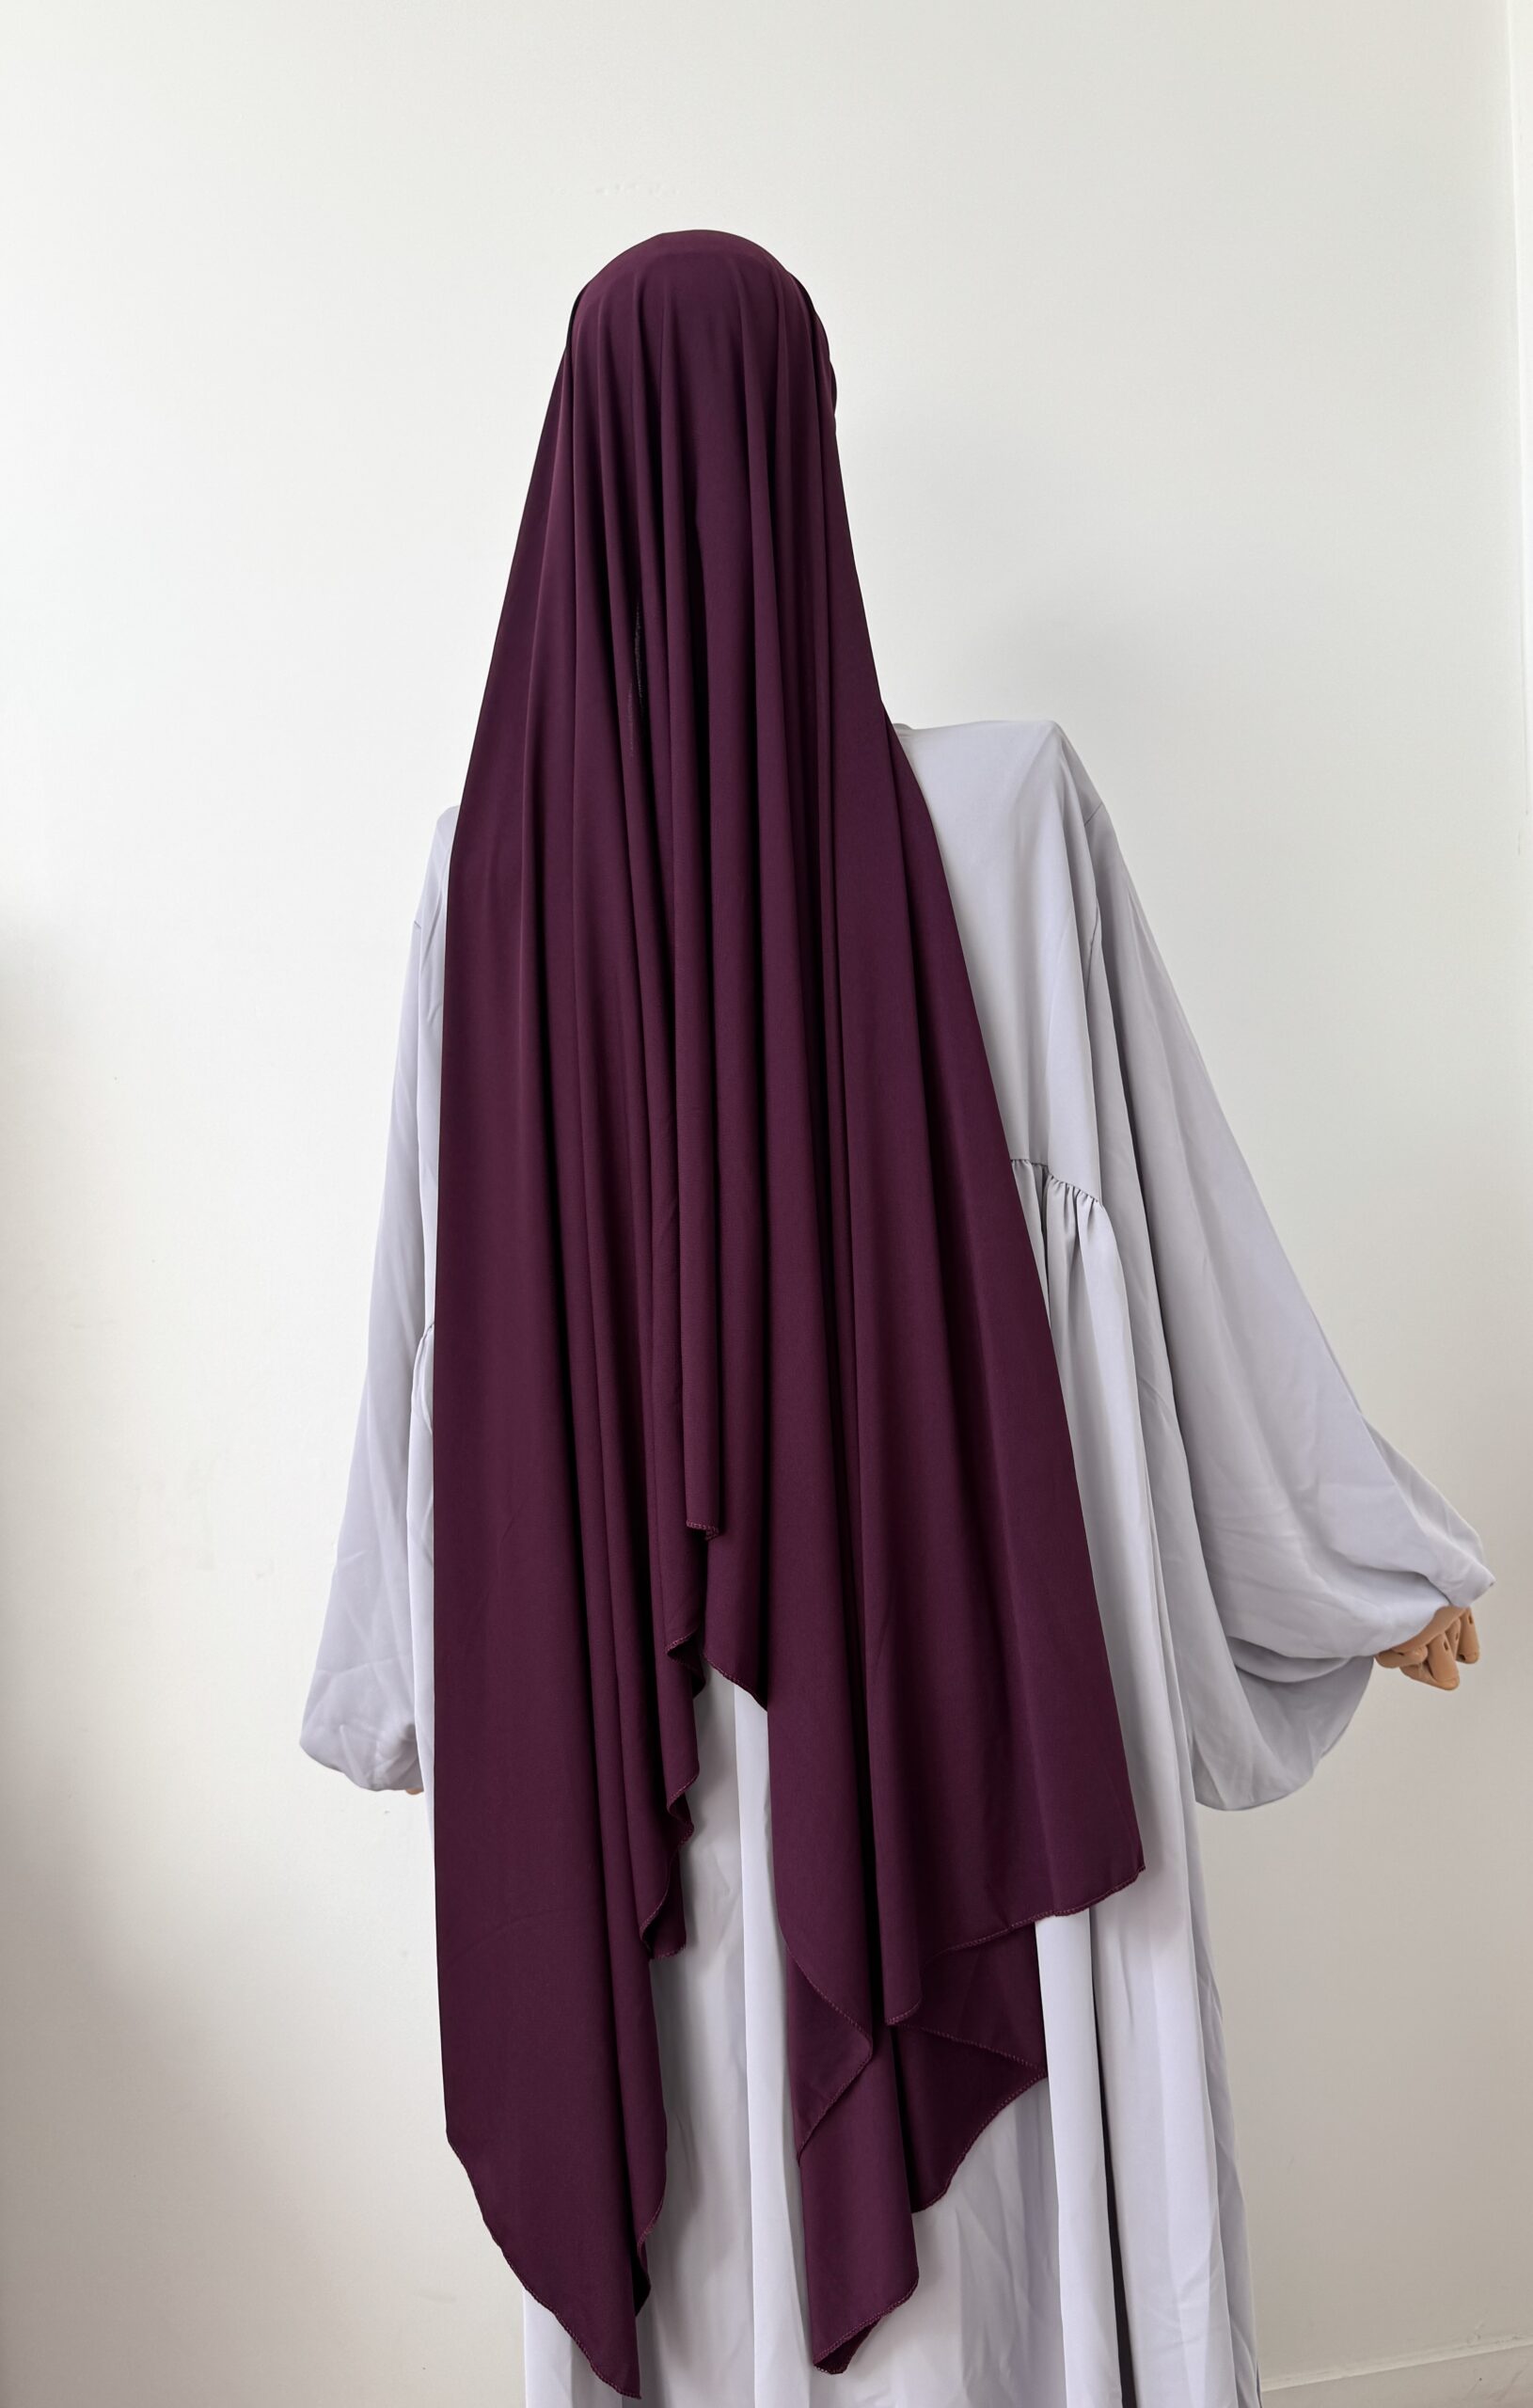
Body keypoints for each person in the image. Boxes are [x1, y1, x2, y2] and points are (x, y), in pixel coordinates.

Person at [302, 236, 1491, 2408]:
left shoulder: (486, 875)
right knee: (981, 2254)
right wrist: (1349, 1561)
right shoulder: (994, 809)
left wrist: (405, 1677)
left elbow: (427, 1336)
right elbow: (1167, 1243)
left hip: (633, 1735)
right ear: (804, 455)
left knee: (703, 2194)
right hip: (951, 1701)